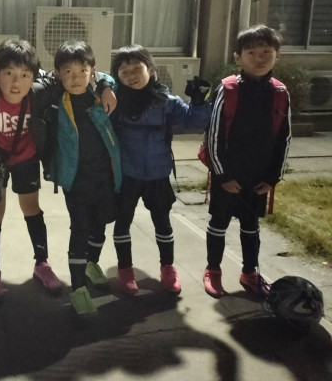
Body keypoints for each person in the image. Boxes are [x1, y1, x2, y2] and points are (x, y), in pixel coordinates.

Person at [106, 45, 211, 295]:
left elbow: (194, 122)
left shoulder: (166, 102)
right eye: (124, 72)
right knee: (122, 222)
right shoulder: (115, 102)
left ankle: (167, 268)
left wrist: (198, 102)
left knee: (162, 222)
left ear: (151, 69)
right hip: (126, 174)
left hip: (158, 174)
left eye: (137, 69)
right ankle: (125, 269)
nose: (131, 76)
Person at [203, 25, 291, 299]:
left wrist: (273, 177)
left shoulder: (280, 92)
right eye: (251, 52)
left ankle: (250, 272)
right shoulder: (228, 89)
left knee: (251, 224)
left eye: (266, 52)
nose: (259, 58)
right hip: (228, 173)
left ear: (277, 55)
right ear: (238, 57)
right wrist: (223, 175)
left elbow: (284, 137)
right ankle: (213, 270)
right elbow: (214, 134)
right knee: (218, 222)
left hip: (259, 175)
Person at [0, 39, 63, 298]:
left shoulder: (38, 93)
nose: (16, 83)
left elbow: (68, 76)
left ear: (33, 77)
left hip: (26, 159)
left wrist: (105, 85)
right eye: (9, 74)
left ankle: (42, 264)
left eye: (25, 75)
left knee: (31, 208)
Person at [43, 40, 122, 317]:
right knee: (80, 228)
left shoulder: (99, 94)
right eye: (68, 72)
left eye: (82, 71)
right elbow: (38, 78)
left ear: (92, 71)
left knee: (100, 225)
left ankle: (91, 263)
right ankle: (78, 288)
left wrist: (106, 85)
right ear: (58, 74)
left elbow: (109, 76)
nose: (75, 78)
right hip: (75, 180)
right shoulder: (55, 99)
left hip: (105, 176)